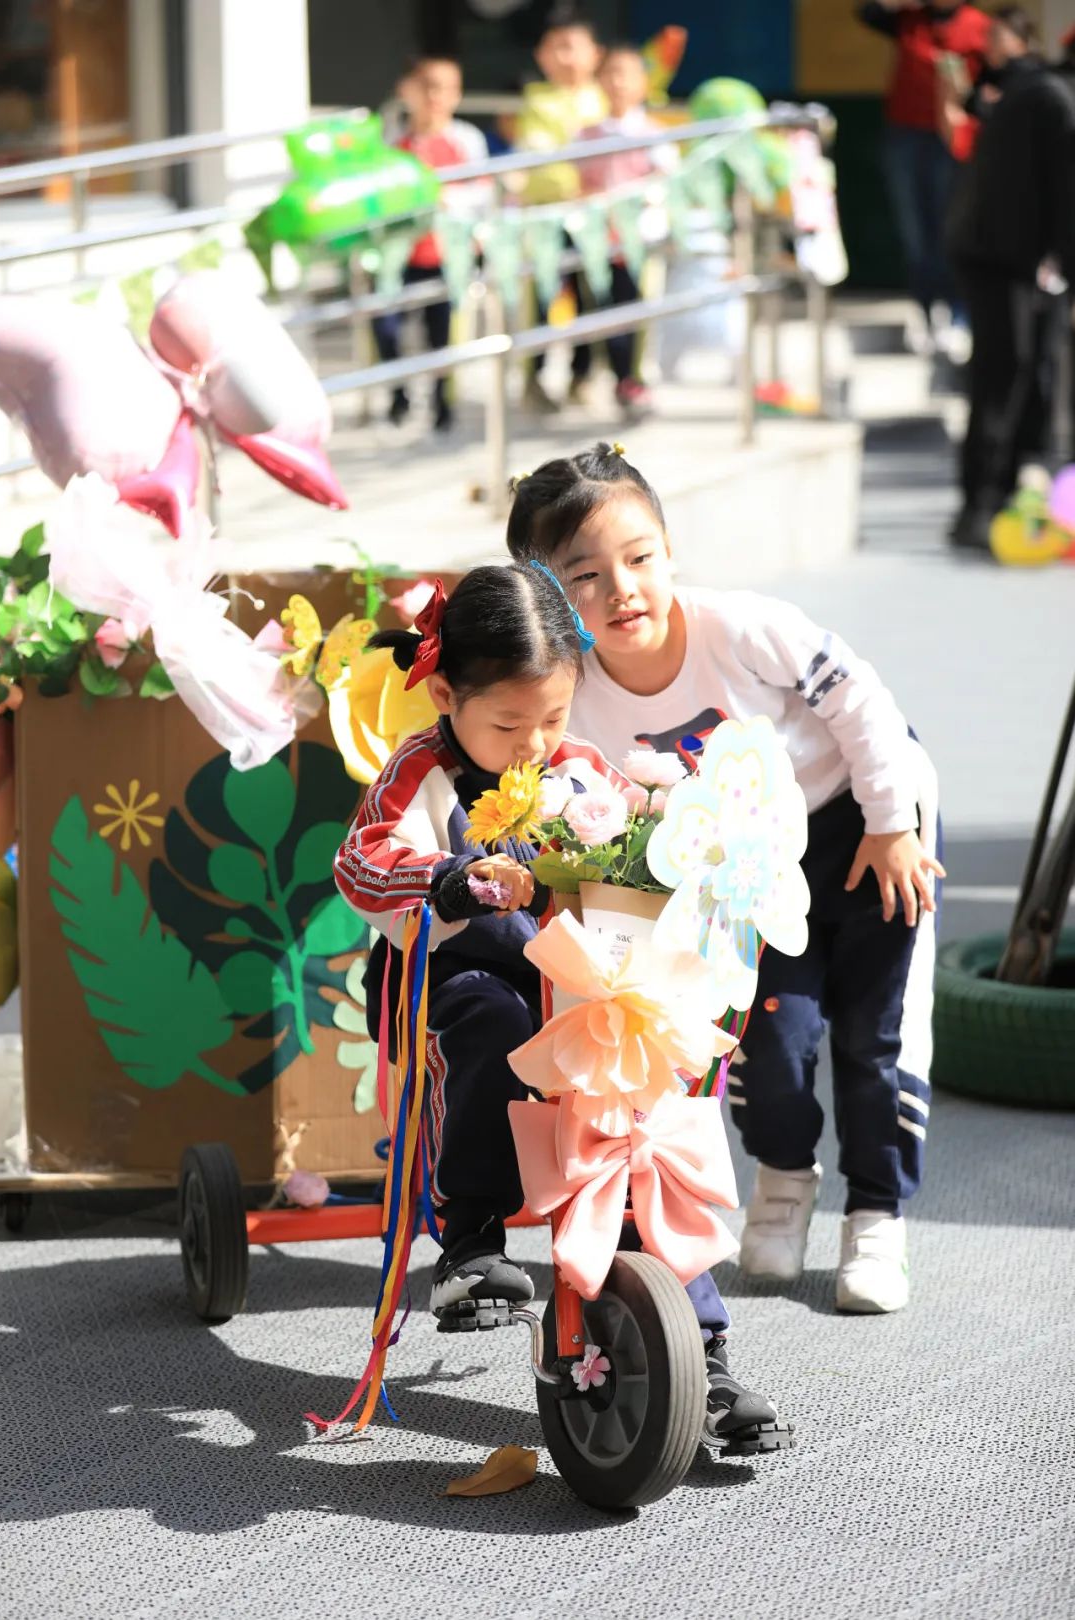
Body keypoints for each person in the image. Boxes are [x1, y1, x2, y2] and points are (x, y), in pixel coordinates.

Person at [334, 562, 780, 1442]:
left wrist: (675, 852)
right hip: (453, 984)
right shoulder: (419, 771)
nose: (535, 744)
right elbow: (360, 861)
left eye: (554, 717)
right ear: (449, 696)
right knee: (493, 1024)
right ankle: (469, 1244)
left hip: (574, 992)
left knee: (642, 1115)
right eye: (508, 722)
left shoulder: (580, 771)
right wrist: (450, 877)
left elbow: (633, 853)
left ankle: (703, 1354)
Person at [506, 443, 945, 1315]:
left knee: (873, 1034)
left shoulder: (737, 627)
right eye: (585, 576)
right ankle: (783, 1177)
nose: (621, 588)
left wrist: (894, 822)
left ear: (669, 552)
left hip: (857, 825)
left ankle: (876, 1213)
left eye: (639, 559)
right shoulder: (574, 689)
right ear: (547, 595)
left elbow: (860, 699)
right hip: (734, 874)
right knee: (765, 1039)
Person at [946, 45, 1075, 549]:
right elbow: (1069, 200)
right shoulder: (1057, 101)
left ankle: (1009, 495)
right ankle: (981, 503)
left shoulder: (1041, 88)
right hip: (1001, 257)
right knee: (1007, 370)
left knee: (1030, 368)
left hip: (1013, 255)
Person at [858, 0, 989, 357]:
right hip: (905, 134)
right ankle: (925, 310)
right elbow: (868, 12)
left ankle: (957, 314)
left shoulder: (977, 24)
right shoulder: (909, 18)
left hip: (951, 137)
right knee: (916, 231)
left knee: (952, 226)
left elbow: (990, 80)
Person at [372, 56, 488, 433]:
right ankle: (398, 395)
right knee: (387, 327)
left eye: (445, 88)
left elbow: (482, 193)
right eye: (427, 86)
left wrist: (445, 201)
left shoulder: (466, 139)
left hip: (445, 254)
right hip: (398, 254)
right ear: (408, 90)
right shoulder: (390, 142)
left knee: (442, 335)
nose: (435, 97)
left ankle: (442, 402)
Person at [577, 43, 678, 419]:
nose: (618, 83)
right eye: (611, 73)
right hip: (600, 243)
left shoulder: (655, 134)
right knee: (605, 315)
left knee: (640, 313)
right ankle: (620, 380)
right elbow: (577, 185)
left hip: (641, 243)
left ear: (643, 83)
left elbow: (668, 185)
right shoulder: (585, 135)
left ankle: (637, 381)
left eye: (627, 74)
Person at [514, 6, 607, 413]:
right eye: (557, 48)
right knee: (542, 298)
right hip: (547, 216)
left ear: (595, 54)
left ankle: (581, 375)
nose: (566, 57)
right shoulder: (536, 102)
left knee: (592, 297)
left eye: (573, 47)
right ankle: (533, 378)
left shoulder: (604, 98)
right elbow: (541, 156)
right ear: (541, 56)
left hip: (595, 216)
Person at [937, 6, 1040, 161]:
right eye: (986, 35)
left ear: (1020, 41)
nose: (987, 43)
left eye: (995, 35)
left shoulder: (1031, 81)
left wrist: (950, 102)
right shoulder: (988, 75)